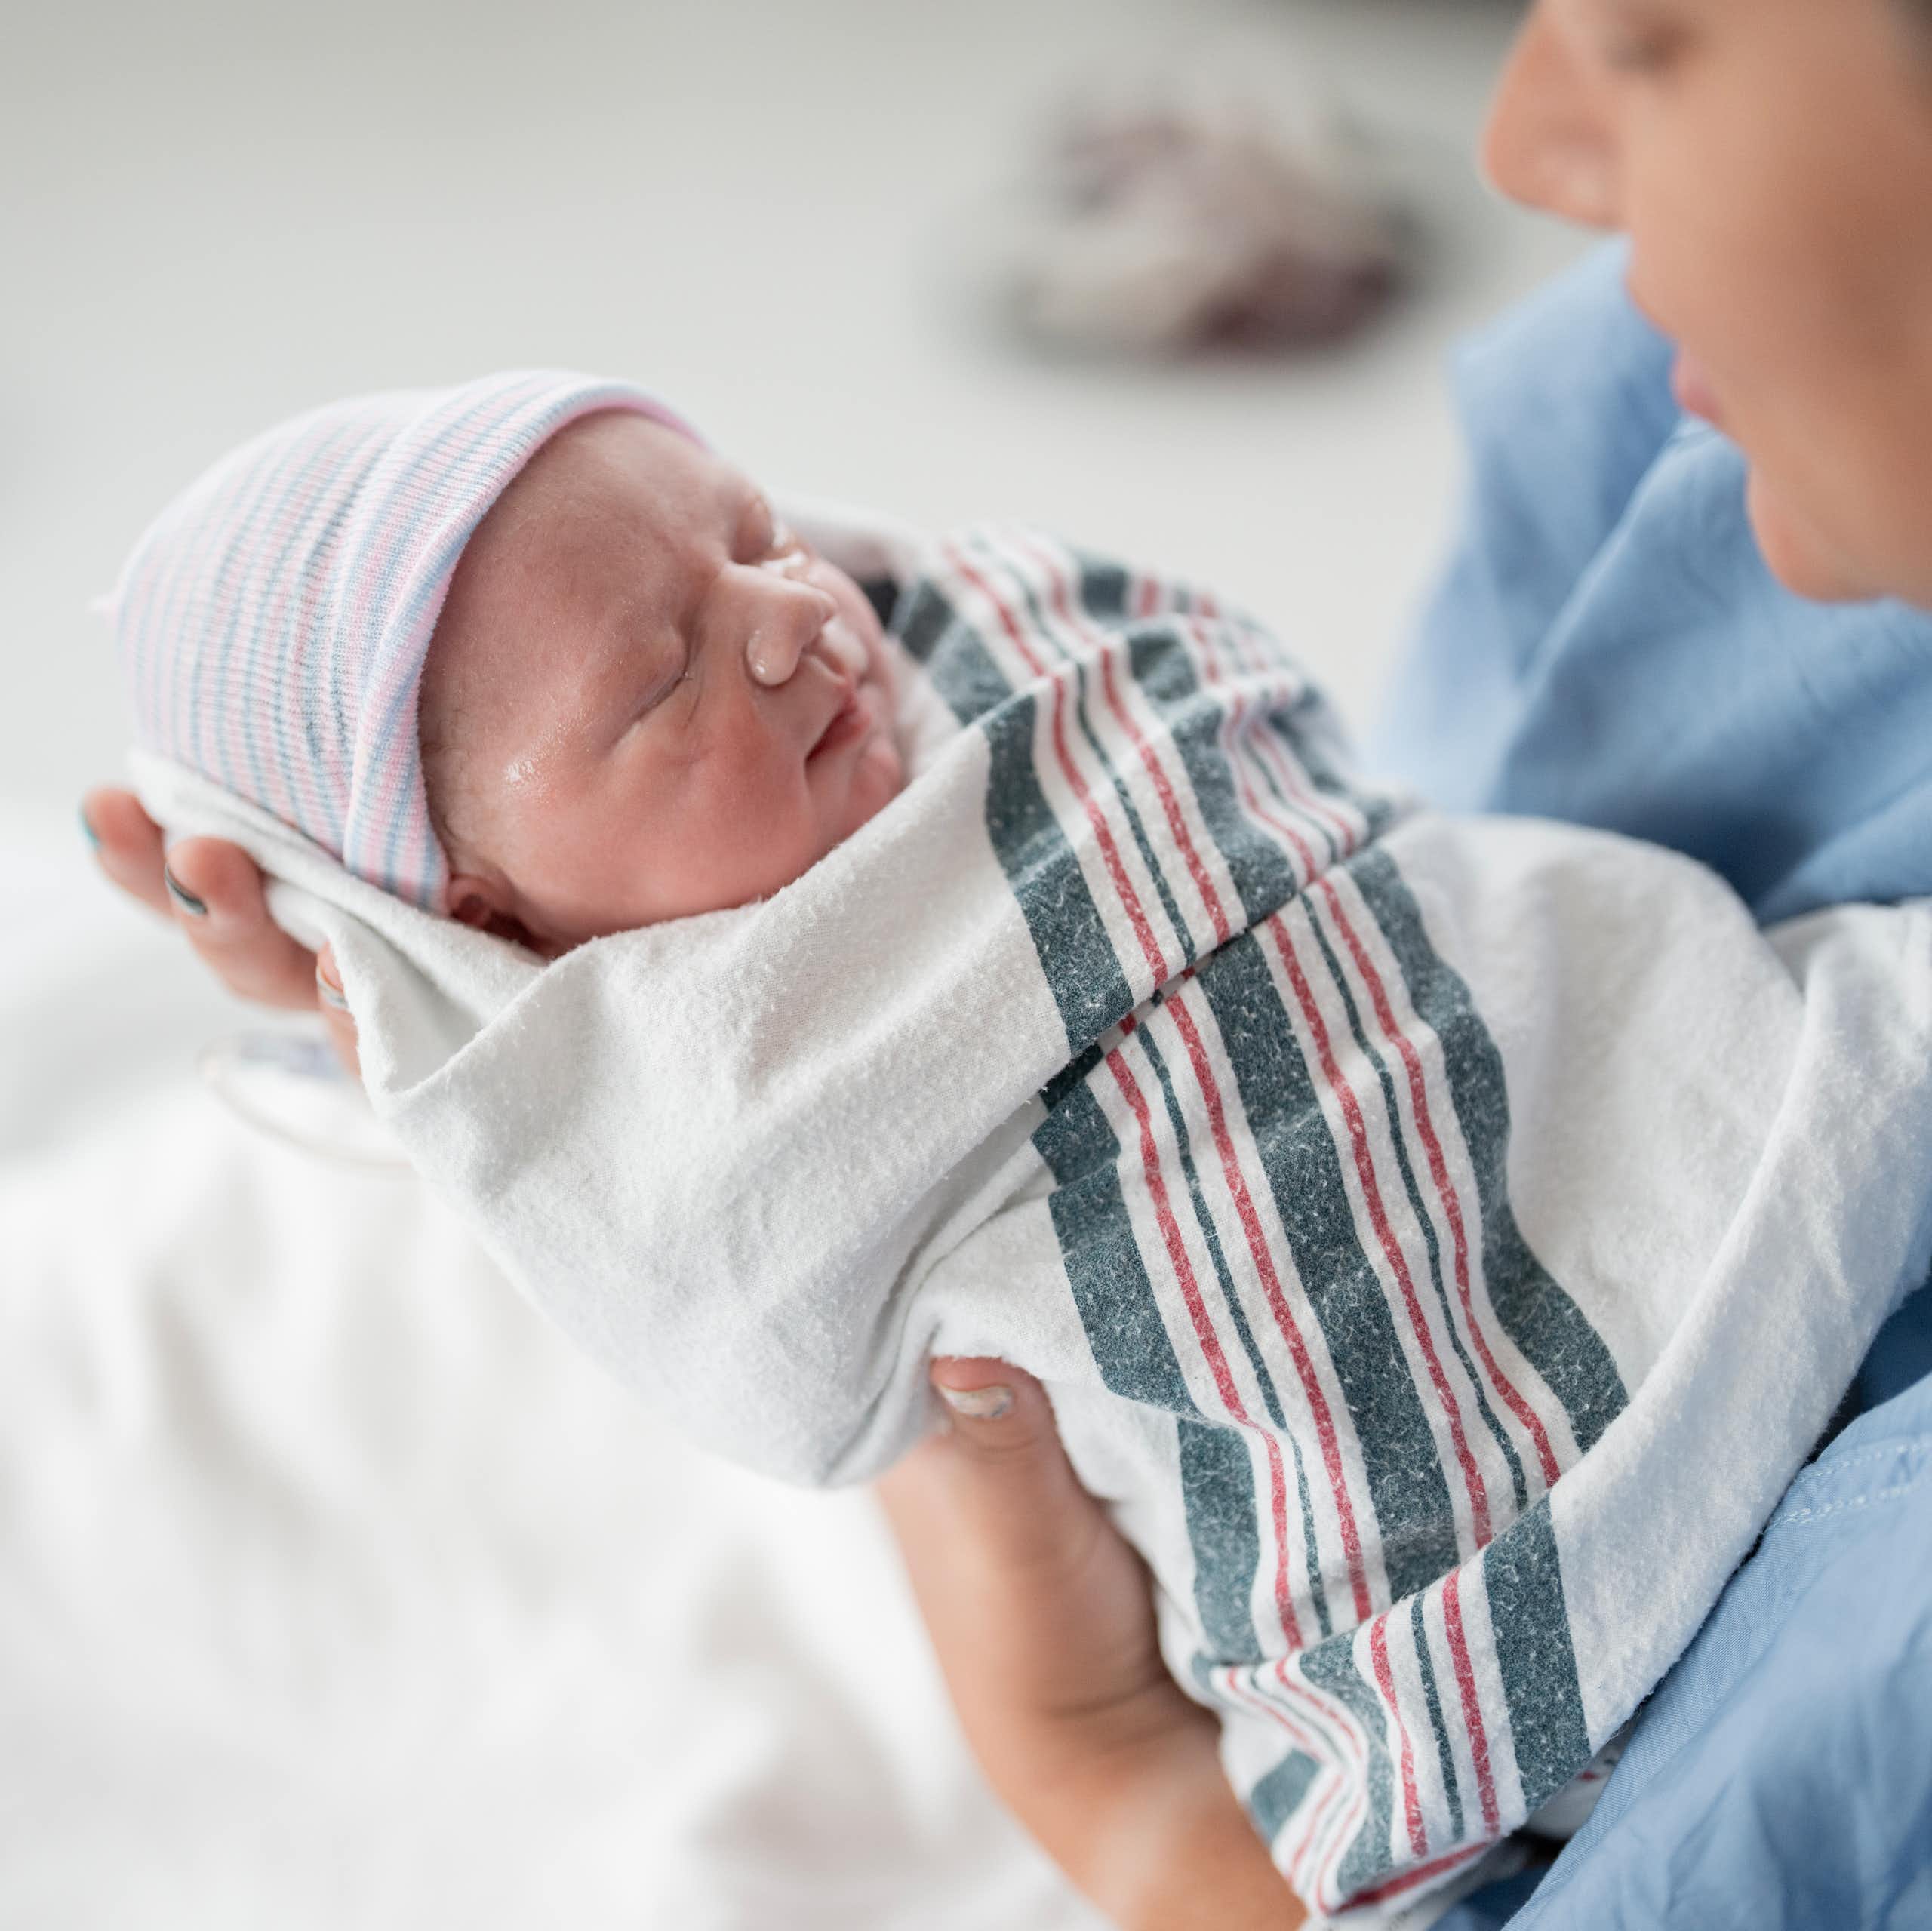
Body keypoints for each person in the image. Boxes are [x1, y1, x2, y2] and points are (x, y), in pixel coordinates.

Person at [81, 0, 1932, 1923]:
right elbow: (753, 1272)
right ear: (485, 924)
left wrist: (1096, 1765)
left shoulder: (1789, 358)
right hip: (1477, 1561)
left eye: (756, 537)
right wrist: (509, 1078)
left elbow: (1253, 787)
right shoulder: (1743, 374)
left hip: (1747, 1079)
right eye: (656, 677)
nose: (798, 616)